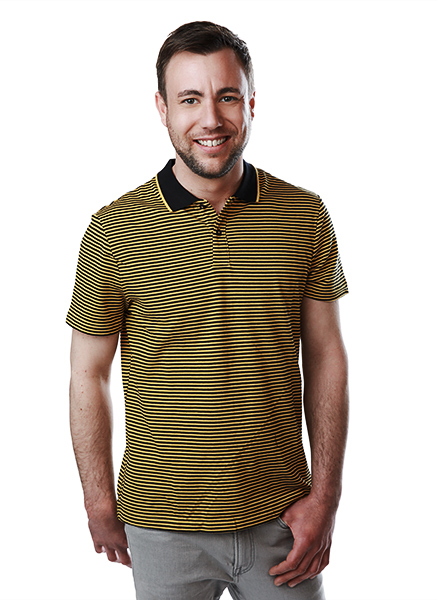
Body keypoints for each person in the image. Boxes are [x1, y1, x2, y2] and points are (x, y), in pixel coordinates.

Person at [68, 21, 349, 600]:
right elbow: (88, 373)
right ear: (163, 108)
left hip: (282, 518)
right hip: (161, 525)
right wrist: (97, 499)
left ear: (251, 102)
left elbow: (327, 358)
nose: (211, 119)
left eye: (227, 96)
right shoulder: (114, 227)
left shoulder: (303, 215)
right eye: (190, 99)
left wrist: (326, 497)